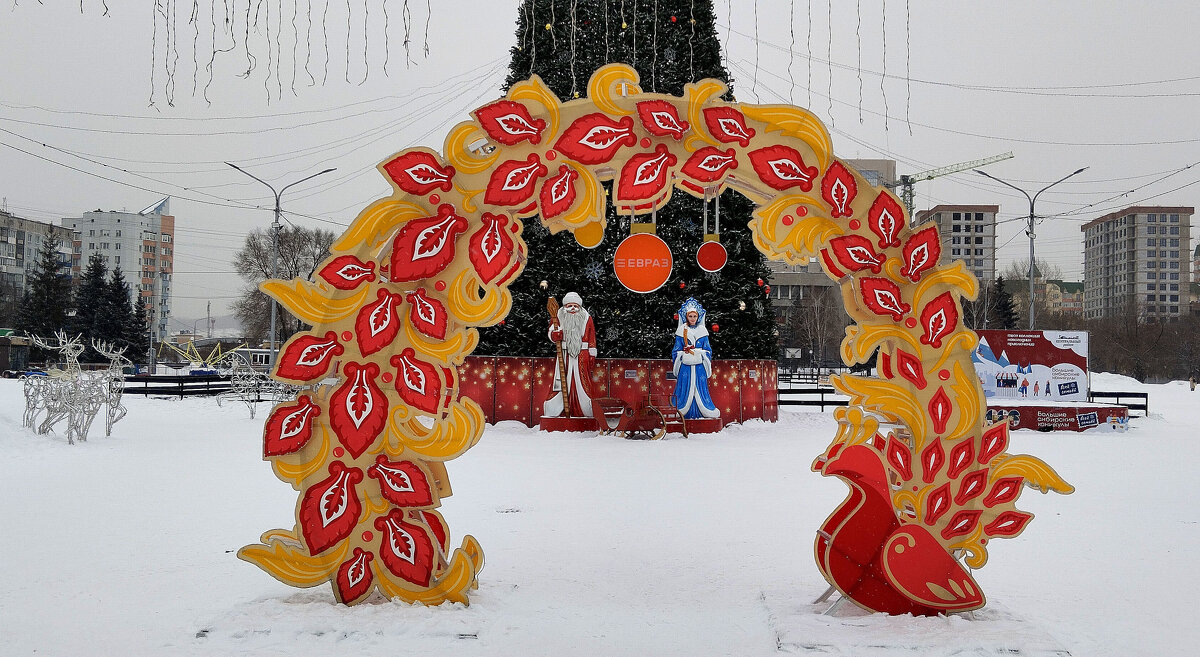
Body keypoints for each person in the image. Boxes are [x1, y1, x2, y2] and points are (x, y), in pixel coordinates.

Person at [544, 292, 596, 418]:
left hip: (582, 356)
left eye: (575, 306)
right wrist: (555, 335)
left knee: (583, 383)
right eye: (569, 306)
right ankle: (556, 410)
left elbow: (592, 337)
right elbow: (552, 332)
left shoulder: (586, 317)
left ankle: (585, 410)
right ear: (564, 307)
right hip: (564, 355)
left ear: (580, 307)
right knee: (561, 382)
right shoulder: (558, 317)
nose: (572, 308)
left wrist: (592, 353)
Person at [670, 298, 720, 419]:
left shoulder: (703, 331)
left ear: (698, 317)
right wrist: (683, 354)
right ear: (686, 317)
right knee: (684, 388)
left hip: (699, 367)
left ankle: (703, 411)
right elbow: (676, 351)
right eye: (690, 316)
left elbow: (708, 350)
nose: (692, 318)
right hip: (685, 368)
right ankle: (681, 410)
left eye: (694, 316)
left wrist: (699, 353)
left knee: (701, 387)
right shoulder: (681, 332)